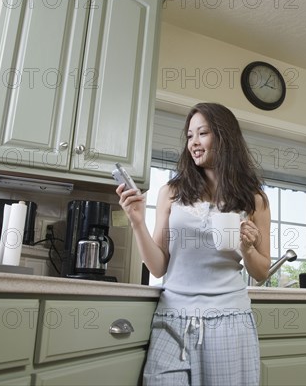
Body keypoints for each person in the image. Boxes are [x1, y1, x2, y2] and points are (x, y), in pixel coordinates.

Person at [116, 102, 271, 386]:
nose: (194, 143)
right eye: (189, 136)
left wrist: (247, 249)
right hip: (173, 318)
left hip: (229, 320)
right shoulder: (171, 192)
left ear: (225, 138)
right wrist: (137, 221)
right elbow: (159, 265)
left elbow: (262, 272)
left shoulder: (254, 199)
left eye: (202, 134)